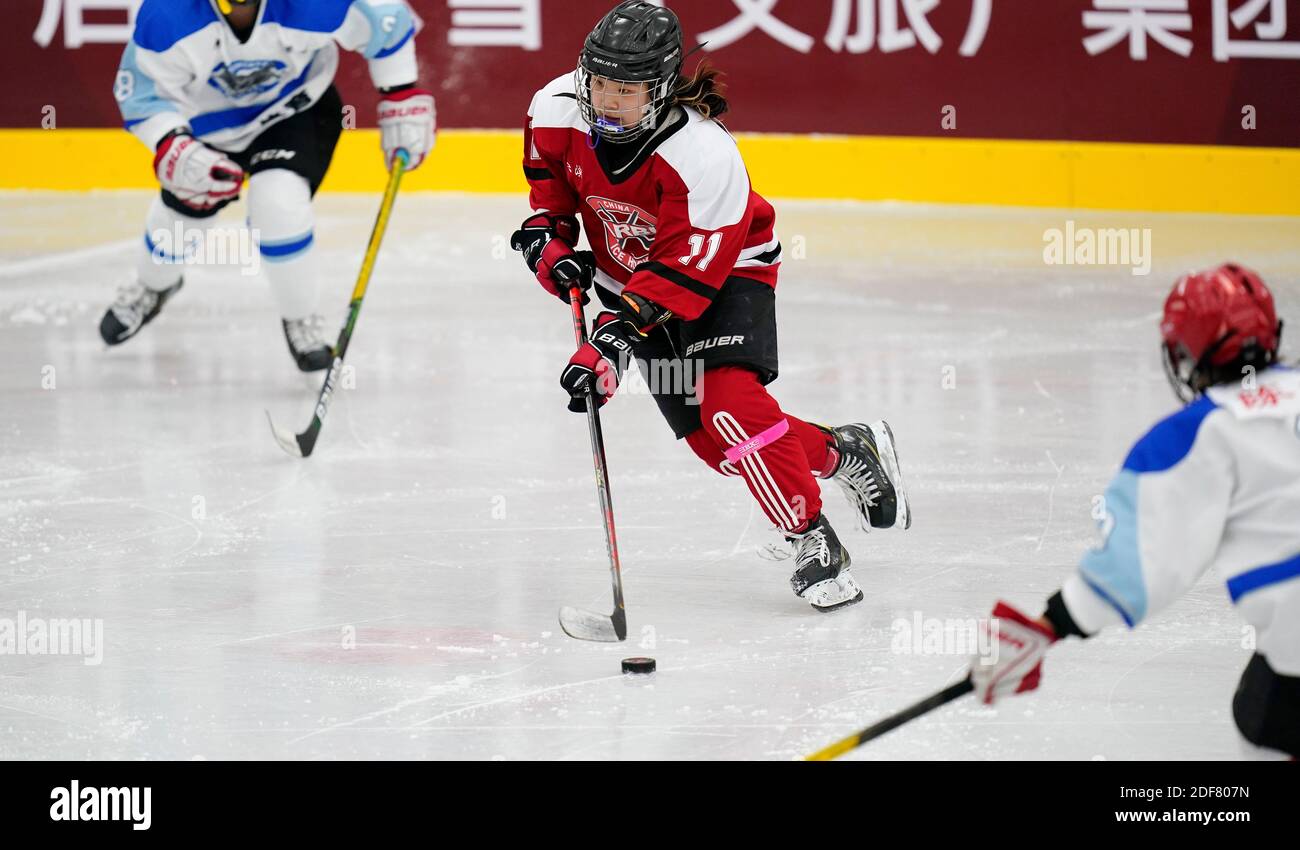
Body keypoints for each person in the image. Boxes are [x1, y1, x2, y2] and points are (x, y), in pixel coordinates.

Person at [511, 1, 912, 611]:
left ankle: (811, 535)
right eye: (600, 84)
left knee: (732, 406)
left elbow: (682, 272)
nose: (610, 101)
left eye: (628, 89)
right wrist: (550, 244)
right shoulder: (554, 108)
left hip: (726, 276)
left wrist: (612, 340)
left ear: (663, 87)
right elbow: (553, 195)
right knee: (722, 450)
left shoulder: (703, 154)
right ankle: (841, 449)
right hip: (633, 288)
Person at [971, 263, 1298, 758]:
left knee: (1266, 715)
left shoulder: (1195, 435)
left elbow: (1139, 561)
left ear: (1187, 353)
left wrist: (1051, 623)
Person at [101, 0, 435, 371]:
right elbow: (143, 96)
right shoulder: (168, 15)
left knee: (278, 203)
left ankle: (300, 317)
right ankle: (154, 285)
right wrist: (172, 144)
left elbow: (386, 20)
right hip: (205, 124)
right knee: (184, 214)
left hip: (295, 110)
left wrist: (400, 94)